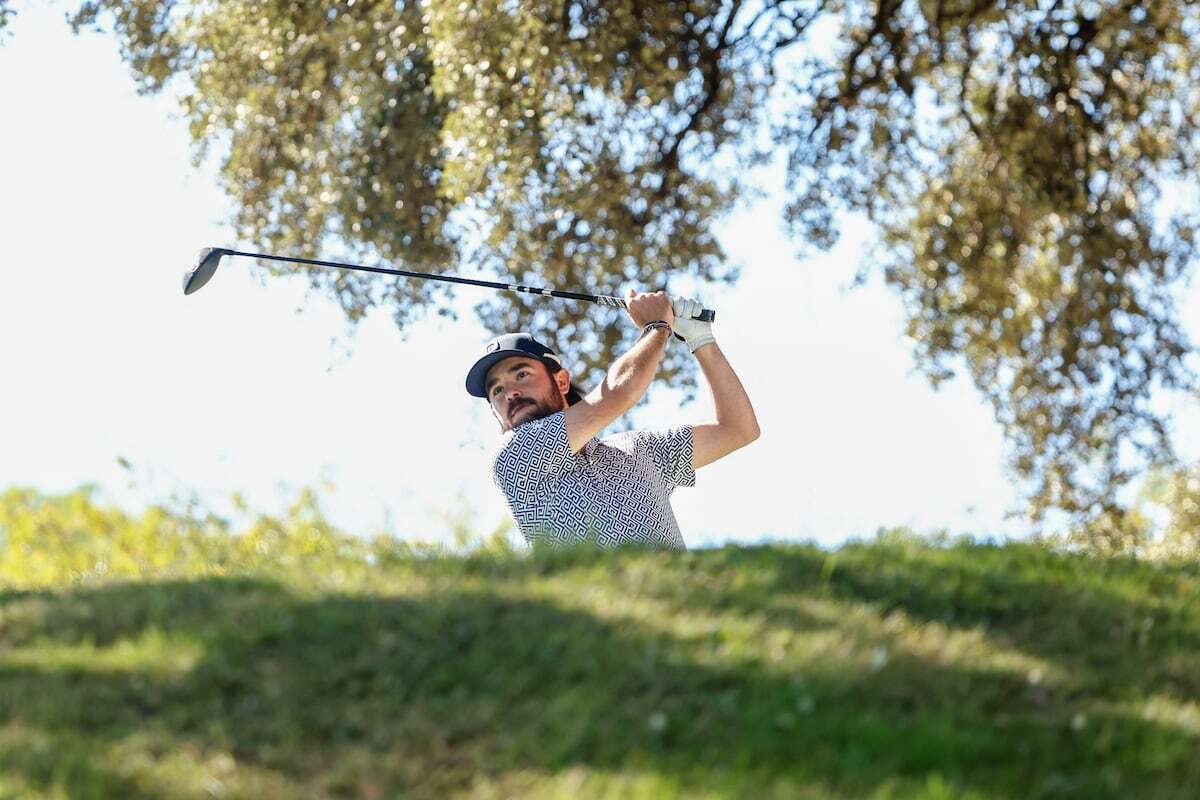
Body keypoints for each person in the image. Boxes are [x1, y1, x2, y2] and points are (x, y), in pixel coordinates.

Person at [464, 289, 759, 549]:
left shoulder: (640, 449)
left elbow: (739, 429)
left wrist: (700, 338)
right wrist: (657, 326)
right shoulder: (514, 458)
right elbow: (620, 391)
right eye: (497, 390)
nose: (510, 393)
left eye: (521, 375)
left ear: (562, 382)